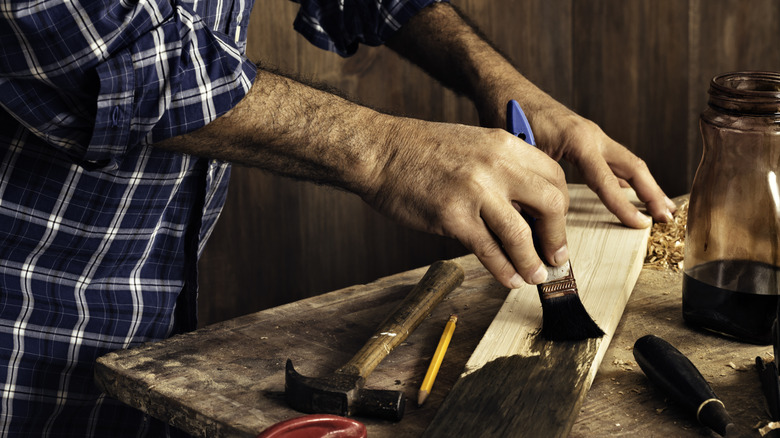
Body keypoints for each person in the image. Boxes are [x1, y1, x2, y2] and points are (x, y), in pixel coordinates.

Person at [0, 0, 675, 436]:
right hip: (21, 320)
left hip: (150, 311)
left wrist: (494, 77)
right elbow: (83, 41)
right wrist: (383, 151)